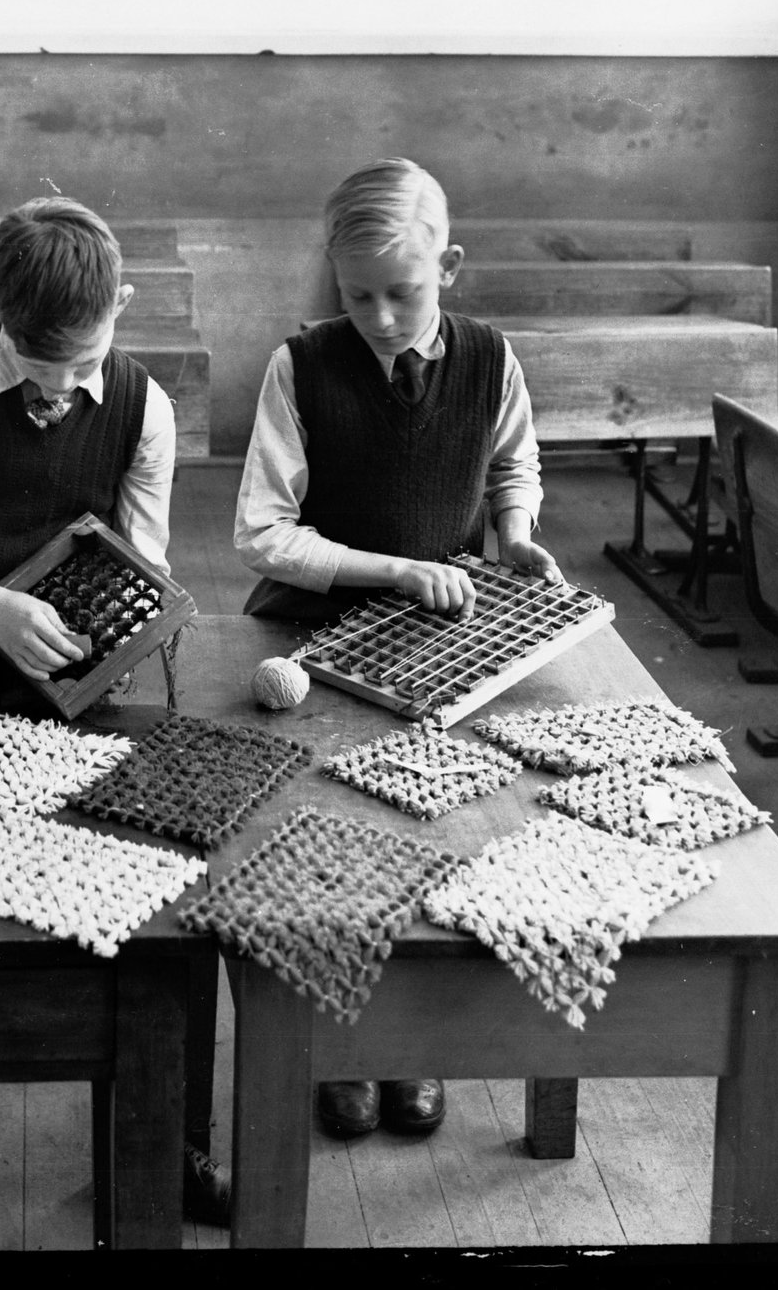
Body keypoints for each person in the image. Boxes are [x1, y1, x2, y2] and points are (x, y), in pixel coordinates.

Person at [0, 195, 228, 1235]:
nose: (60, 391)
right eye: (37, 359)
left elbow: (141, 565)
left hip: (76, 687)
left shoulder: (144, 404)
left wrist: (119, 639)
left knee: (135, 903)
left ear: (123, 305)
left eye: (82, 360)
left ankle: (158, 1130)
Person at [233, 158, 560, 1142]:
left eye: (402, 292)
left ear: (447, 266)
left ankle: (407, 1042)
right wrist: (392, 570)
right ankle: (337, 1037)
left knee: (432, 833)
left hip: (437, 637)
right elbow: (261, 532)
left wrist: (512, 529)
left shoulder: (491, 357)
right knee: (324, 833)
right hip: (312, 627)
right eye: (356, 294)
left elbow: (512, 459)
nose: (378, 316)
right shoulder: (301, 365)